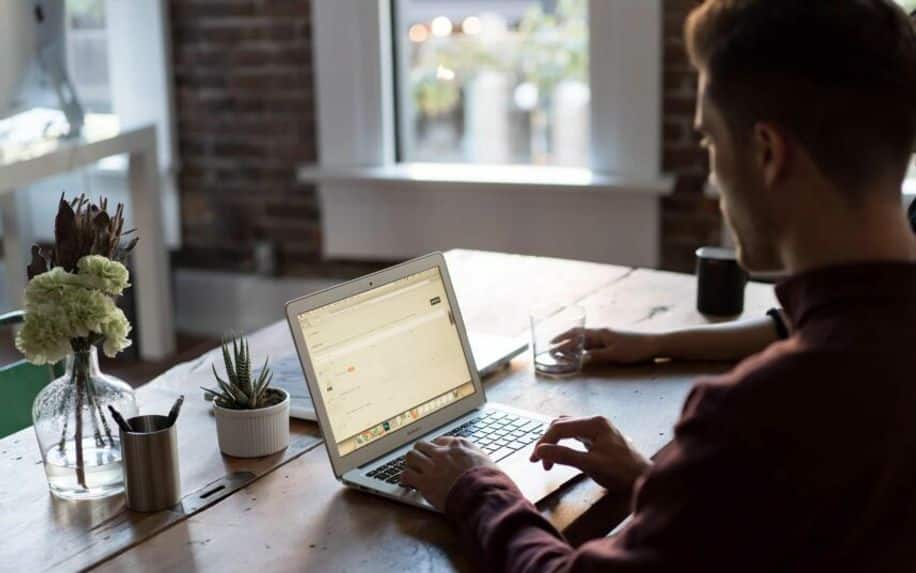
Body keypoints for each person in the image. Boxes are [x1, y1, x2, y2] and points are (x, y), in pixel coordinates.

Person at [401, 1, 916, 571]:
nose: (712, 181)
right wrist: (662, 483)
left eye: (711, 144)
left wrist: (477, 488)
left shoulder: (762, 413)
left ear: (768, 154)